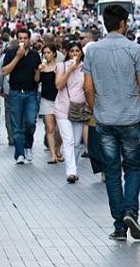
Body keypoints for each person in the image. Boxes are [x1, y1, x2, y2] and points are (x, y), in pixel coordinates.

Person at [83, 4, 140, 242]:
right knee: (133, 167)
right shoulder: (134, 49)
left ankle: (119, 227)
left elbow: (88, 87)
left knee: (112, 171)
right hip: (131, 118)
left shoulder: (92, 51)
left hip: (105, 119)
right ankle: (130, 212)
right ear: (124, 23)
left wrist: (96, 110)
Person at [1, 29, 42, 164]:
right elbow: (5, 71)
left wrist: (39, 72)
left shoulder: (35, 55)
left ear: (29, 40)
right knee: (17, 126)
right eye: (20, 38)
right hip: (15, 93)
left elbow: (37, 79)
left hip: (31, 93)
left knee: (31, 122)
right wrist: (18, 57)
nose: (23, 41)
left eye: (25, 38)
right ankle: (19, 154)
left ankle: (28, 146)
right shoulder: (10, 53)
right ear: (17, 39)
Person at [55, 42, 86, 183]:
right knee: (68, 140)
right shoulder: (62, 66)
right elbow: (58, 85)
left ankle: (74, 168)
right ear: (68, 53)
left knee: (77, 143)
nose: (75, 53)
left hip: (79, 108)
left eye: (77, 51)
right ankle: (70, 172)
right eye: (72, 51)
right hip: (63, 108)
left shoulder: (86, 67)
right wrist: (70, 70)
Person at [36, 43, 62, 164]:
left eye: (48, 52)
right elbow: (36, 80)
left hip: (60, 100)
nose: (46, 55)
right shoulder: (42, 67)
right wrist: (38, 70)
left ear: (54, 53)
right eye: (44, 53)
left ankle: (57, 149)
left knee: (60, 129)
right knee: (50, 128)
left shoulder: (59, 67)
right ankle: (52, 154)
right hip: (46, 100)